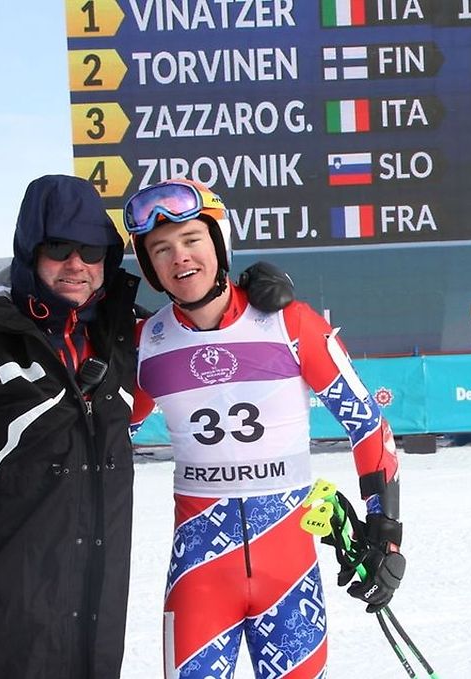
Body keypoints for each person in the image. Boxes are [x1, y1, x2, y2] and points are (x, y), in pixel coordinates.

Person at [0, 174, 292, 679]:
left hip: (94, 615)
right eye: (59, 247)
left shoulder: (125, 337)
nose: (76, 264)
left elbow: (199, 326)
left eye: (91, 250)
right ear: (30, 251)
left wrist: (242, 293)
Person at [124, 178, 407, 678]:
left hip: (289, 573)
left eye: (192, 240)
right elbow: (101, 435)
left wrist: (384, 535)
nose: (180, 258)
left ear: (218, 243)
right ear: (149, 267)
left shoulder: (288, 323)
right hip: (199, 579)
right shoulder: (146, 343)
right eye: (161, 249)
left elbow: (366, 425)